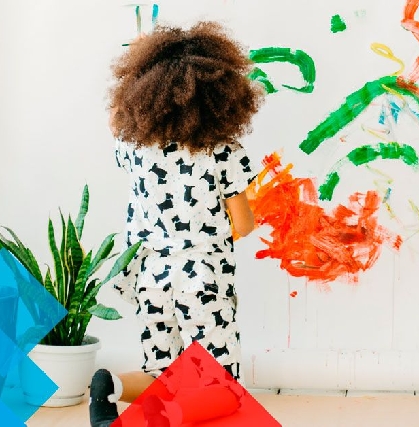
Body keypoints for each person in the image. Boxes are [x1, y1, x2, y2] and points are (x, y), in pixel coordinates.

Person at [89, 22, 264, 427]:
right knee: (224, 390)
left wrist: (132, 71)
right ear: (219, 96)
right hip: (202, 276)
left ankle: (109, 386)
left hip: (149, 273)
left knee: (162, 372)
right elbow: (244, 222)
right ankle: (162, 419)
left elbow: (116, 121)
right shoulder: (222, 151)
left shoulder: (134, 148)